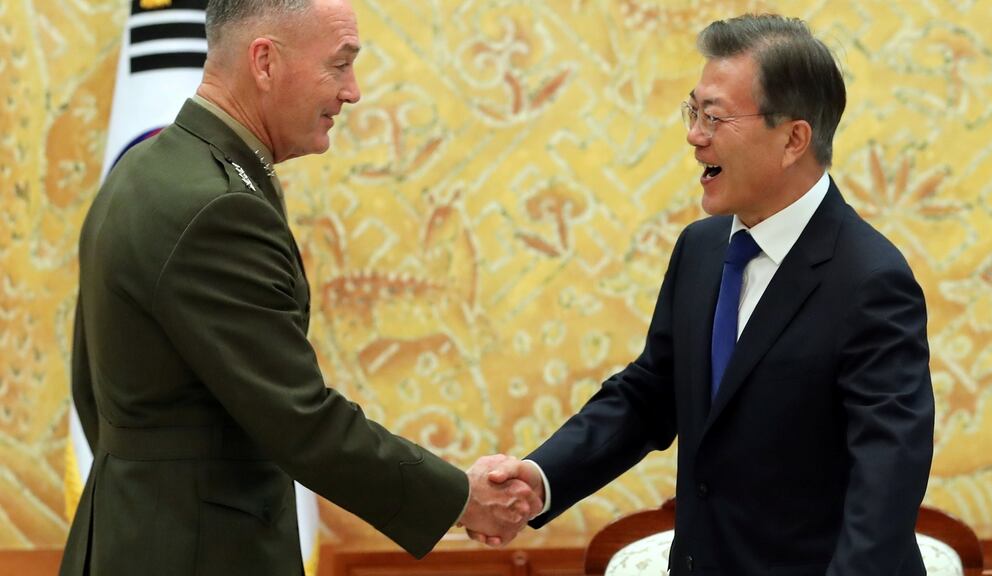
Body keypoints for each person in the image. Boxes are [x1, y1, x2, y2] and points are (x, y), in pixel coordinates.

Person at [60, 1, 537, 574]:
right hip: (199, 551)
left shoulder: (146, 171)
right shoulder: (217, 205)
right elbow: (300, 420)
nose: (352, 91)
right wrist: (460, 498)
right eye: (339, 65)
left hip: (134, 531)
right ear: (265, 61)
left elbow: (91, 388)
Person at [484, 13, 935, 575]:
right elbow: (649, 395)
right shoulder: (701, 249)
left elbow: (886, 483)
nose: (695, 135)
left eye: (714, 117)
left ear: (793, 139)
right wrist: (542, 478)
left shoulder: (871, 280)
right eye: (693, 111)